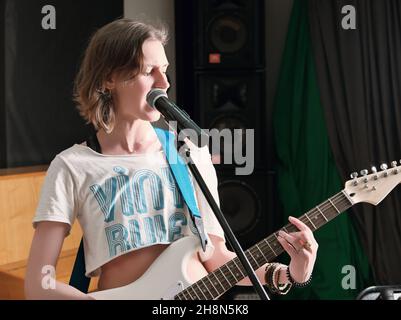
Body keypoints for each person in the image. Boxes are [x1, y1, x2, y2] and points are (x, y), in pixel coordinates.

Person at [24, 18, 318, 300]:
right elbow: (40, 284)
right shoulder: (71, 165)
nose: (163, 82)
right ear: (109, 78)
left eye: (165, 69)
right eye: (148, 70)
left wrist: (290, 273)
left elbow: (216, 256)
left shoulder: (189, 154)